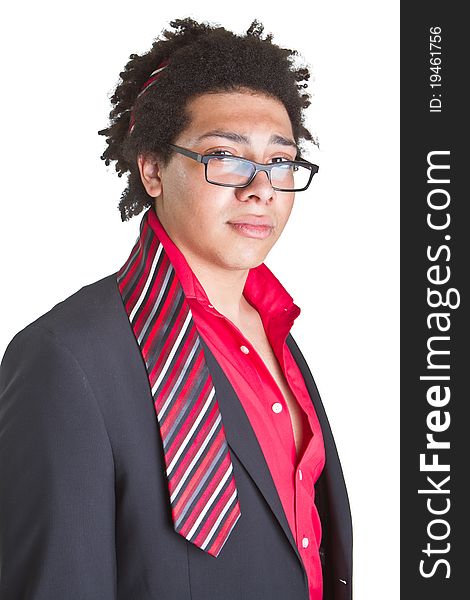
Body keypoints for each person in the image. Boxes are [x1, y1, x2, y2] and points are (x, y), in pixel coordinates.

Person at [0, 17, 352, 600]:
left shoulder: (279, 334)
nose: (261, 188)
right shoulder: (66, 360)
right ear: (153, 169)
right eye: (226, 157)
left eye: (281, 163)